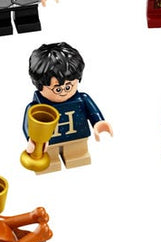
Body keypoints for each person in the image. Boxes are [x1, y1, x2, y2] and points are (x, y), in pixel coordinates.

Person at [22, 42, 112, 172]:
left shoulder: (82, 99)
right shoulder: (36, 108)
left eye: (69, 87)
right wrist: (31, 139)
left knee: (77, 154)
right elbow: (28, 125)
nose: (64, 91)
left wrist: (98, 122)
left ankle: (76, 157)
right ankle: (51, 161)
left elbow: (93, 113)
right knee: (50, 159)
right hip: (49, 143)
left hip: (77, 137)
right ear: (40, 85)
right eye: (57, 89)